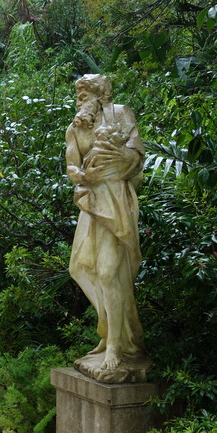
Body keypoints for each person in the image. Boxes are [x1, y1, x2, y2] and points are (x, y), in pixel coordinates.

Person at [65, 74, 148, 381]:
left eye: (83, 93)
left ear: (100, 95)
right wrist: (81, 176)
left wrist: (121, 156)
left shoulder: (121, 113)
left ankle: (116, 348)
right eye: (78, 94)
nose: (78, 99)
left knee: (109, 271)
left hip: (115, 198)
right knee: (81, 268)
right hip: (91, 201)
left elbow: (137, 159)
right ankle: (109, 330)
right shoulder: (74, 128)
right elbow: (71, 165)